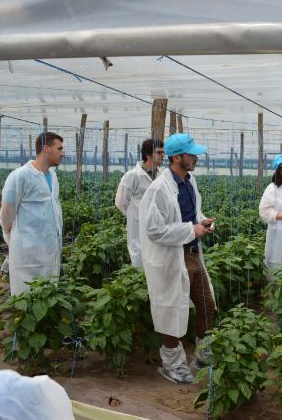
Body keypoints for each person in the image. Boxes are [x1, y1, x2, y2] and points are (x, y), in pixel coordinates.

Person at [139, 133, 217, 384]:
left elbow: (192, 213)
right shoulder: (158, 190)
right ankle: (173, 365)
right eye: (191, 154)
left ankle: (203, 354)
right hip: (173, 257)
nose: (196, 158)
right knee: (171, 311)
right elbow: (153, 230)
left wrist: (201, 222)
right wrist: (191, 230)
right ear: (176, 157)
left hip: (193, 255)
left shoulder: (189, 182)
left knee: (207, 304)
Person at [0, 132, 64, 295]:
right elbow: (7, 214)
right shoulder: (20, 176)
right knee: (26, 293)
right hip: (27, 250)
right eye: (59, 148)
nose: (62, 153)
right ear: (46, 148)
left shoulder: (53, 176)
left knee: (48, 293)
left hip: (50, 247)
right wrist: (12, 237)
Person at [115, 138, 165, 267]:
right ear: (148, 155)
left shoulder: (163, 175)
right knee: (140, 265)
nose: (163, 155)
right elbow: (120, 202)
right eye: (159, 152)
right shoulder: (132, 176)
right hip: (138, 228)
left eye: (163, 152)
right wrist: (136, 216)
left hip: (159, 227)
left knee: (158, 265)